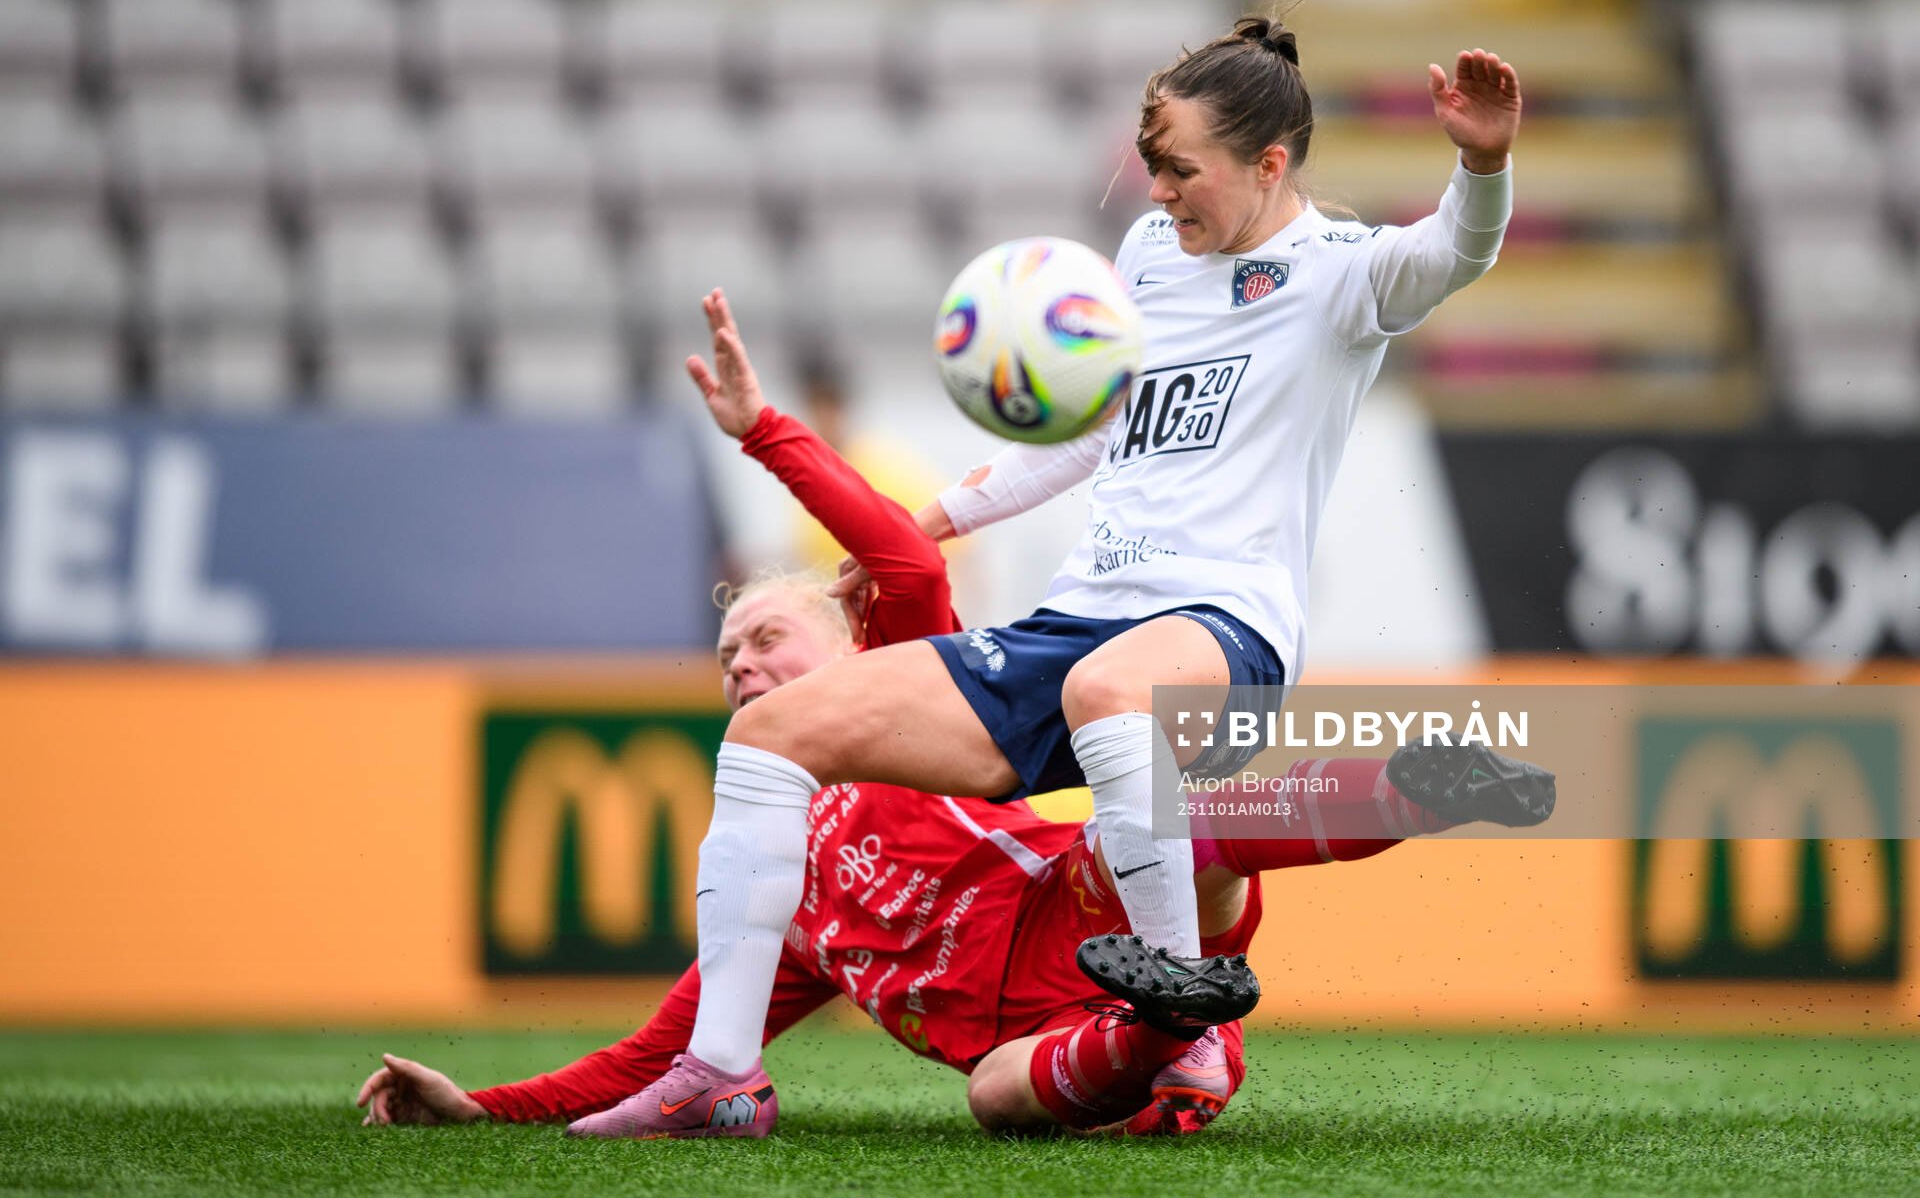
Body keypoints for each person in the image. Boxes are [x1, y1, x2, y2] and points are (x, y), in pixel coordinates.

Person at [595, 17, 1525, 1138]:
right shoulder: (1144, 261)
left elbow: (1456, 255)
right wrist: (932, 518)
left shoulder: (1344, 275)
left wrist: (1481, 163)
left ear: (1268, 164)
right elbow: (1089, 435)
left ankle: (1179, 990)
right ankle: (720, 1076)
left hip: (1221, 627)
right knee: (768, 735)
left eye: (1182, 170)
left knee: (1108, 697)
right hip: (1072, 624)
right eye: (1154, 167)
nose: (1161, 193)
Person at [356, 300, 1552, 1138]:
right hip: (1078, 1055)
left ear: (849, 643)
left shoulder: (913, 692)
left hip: (1086, 915)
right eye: (727, 655)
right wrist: (480, 1103)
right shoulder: (786, 902)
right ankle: (1165, 1030)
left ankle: (1406, 787)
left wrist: (767, 433)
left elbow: (886, 545)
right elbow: (647, 1054)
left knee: (1175, 827)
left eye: (769, 637)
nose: (742, 665)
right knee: (992, 1100)